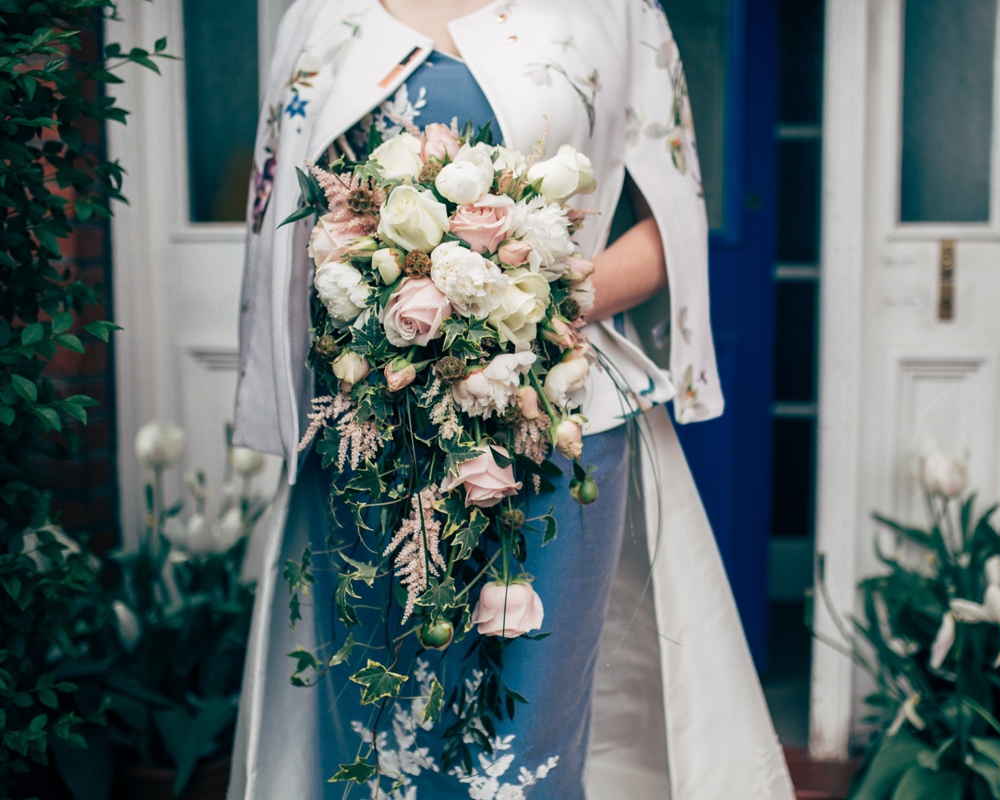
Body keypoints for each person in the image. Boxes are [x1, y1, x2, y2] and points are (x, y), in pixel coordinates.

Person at [229, 1, 794, 797]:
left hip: (555, 422)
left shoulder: (617, 12)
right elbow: (277, 220)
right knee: (371, 713)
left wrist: (507, 302)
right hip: (370, 429)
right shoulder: (320, 16)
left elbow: (671, 221)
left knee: (528, 732)